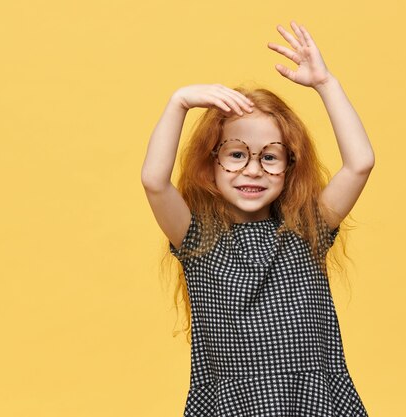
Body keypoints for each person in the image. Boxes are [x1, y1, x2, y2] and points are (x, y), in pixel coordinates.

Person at [142, 20, 374, 417]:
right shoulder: (197, 237)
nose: (253, 170)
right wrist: (178, 102)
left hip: (315, 404)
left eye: (270, 156)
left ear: (289, 167)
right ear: (210, 163)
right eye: (236, 154)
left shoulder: (306, 230)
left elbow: (359, 164)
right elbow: (154, 181)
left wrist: (326, 84)